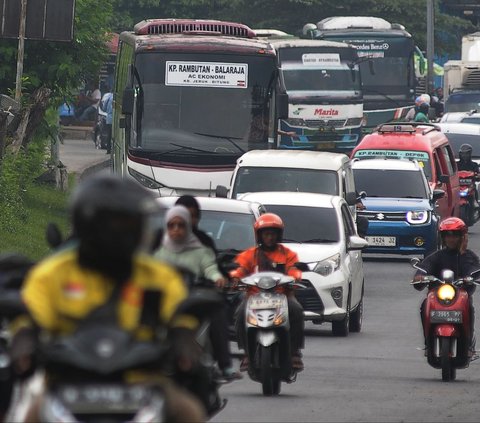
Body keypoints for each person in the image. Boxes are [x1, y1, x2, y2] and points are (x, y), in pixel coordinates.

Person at [9, 175, 206, 422]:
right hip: (68, 385)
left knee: (190, 412)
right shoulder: (52, 274)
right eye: (126, 223)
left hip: (143, 385)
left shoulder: (157, 276)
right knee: (29, 414)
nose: (137, 231)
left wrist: (183, 337)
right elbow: (31, 314)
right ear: (94, 225)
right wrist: (24, 337)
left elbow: (180, 314)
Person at [154, 205, 241, 382]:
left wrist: (217, 278)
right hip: (163, 301)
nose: (176, 230)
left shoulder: (200, 250)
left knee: (217, 312)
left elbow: (210, 267)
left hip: (192, 299)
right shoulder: (158, 251)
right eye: (171, 225)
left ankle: (225, 365)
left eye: (181, 225)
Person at [229, 213, 305, 371]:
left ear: (279, 235)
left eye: (273, 234)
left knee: (297, 310)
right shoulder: (250, 255)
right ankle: (246, 353)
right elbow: (240, 269)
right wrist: (235, 278)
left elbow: (294, 269)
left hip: (282, 296)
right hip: (254, 297)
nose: (269, 237)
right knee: (240, 313)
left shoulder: (287, 254)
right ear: (260, 235)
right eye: (266, 234)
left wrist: (295, 278)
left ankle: (294, 353)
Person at [413, 217, 480, 352]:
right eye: (447, 236)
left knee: (469, 308)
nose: (451, 239)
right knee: (425, 305)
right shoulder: (437, 256)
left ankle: (467, 344)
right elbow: (425, 267)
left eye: (455, 235)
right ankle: (428, 341)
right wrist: (420, 277)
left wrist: (470, 277)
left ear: (462, 237)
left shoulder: (468, 256)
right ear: (443, 238)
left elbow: (473, 269)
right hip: (438, 295)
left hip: (460, 295)